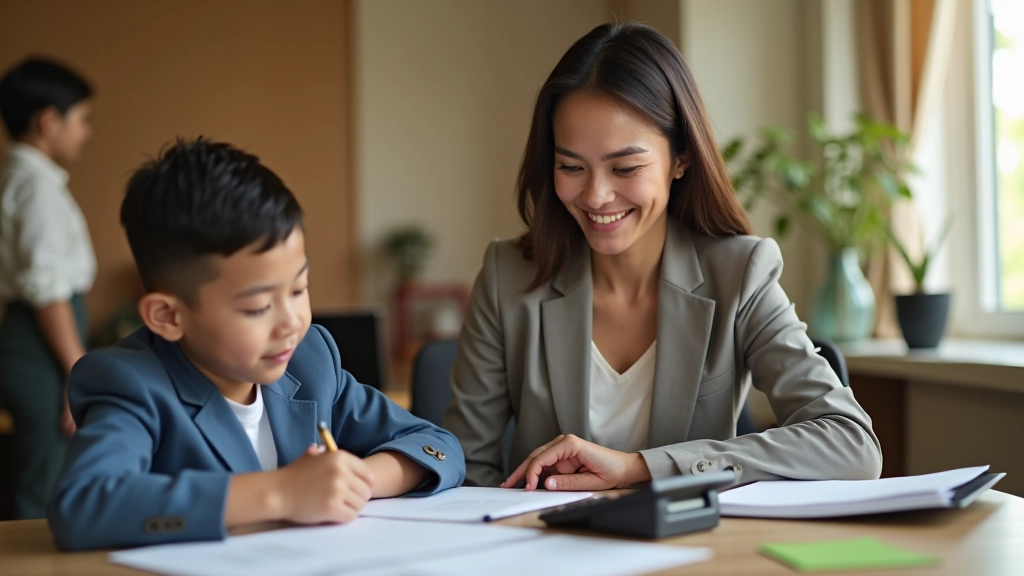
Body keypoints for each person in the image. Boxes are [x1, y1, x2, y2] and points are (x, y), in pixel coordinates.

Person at [443, 22, 882, 491]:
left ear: (681, 159)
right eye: (571, 166)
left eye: (625, 167)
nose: (596, 195)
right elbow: (465, 471)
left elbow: (852, 445)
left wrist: (640, 468)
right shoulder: (506, 276)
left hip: (689, 552)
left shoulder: (740, 274)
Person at [48, 139, 465, 551]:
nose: (292, 323)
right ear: (168, 316)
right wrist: (281, 492)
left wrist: (354, 480)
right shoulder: (129, 382)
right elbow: (84, 506)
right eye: (257, 307)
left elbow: (437, 446)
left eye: (300, 289)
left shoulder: (309, 360)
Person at [0, 57, 96, 519]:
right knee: (43, 482)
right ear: (48, 121)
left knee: (48, 473)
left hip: (40, 343)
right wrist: (75, 370)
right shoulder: (34, 189)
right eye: (83, 119)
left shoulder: (27, 181)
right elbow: (48, 291)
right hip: (41, 347)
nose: (87, 132)